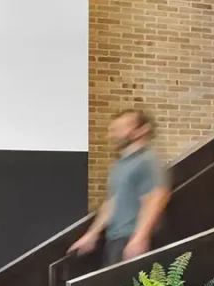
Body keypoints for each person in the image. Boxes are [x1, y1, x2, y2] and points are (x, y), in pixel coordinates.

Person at [69, 108, 168, 265]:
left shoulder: (148, 160)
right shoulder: (120, 164)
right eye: (114, 130)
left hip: (133, 241)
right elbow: (111, 202)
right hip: (115, 239)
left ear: (142, 130)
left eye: (122, 128)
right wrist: (92, 234)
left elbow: (157, 196)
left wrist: (140, 237)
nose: (114, 135)